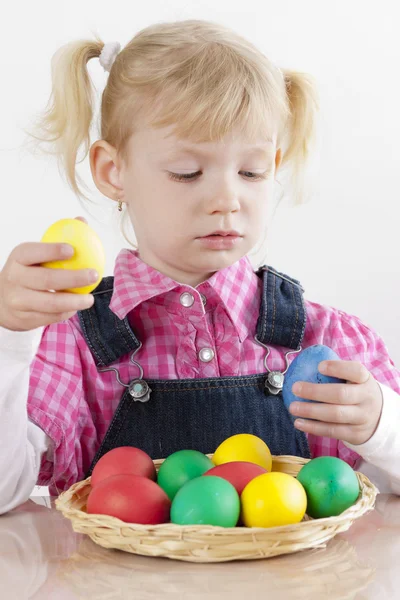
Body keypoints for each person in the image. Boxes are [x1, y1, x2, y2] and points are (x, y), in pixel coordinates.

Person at [0, 20, 399, 514]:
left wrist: (382, 425)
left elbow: (382, 489)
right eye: (188, 172)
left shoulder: (319, 338)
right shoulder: (71, 343)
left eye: (252, 171)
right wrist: (10, 337)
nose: (227, 199)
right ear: (113, 171)